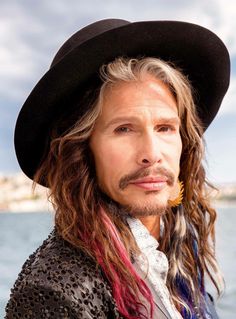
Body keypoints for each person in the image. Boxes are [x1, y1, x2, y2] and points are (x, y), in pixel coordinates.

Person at [5, 19, 230, 319]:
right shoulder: (52, 291)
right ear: (82, 150)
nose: (151, 154)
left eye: (165, 128)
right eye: (124, 129)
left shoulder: (179, 256)